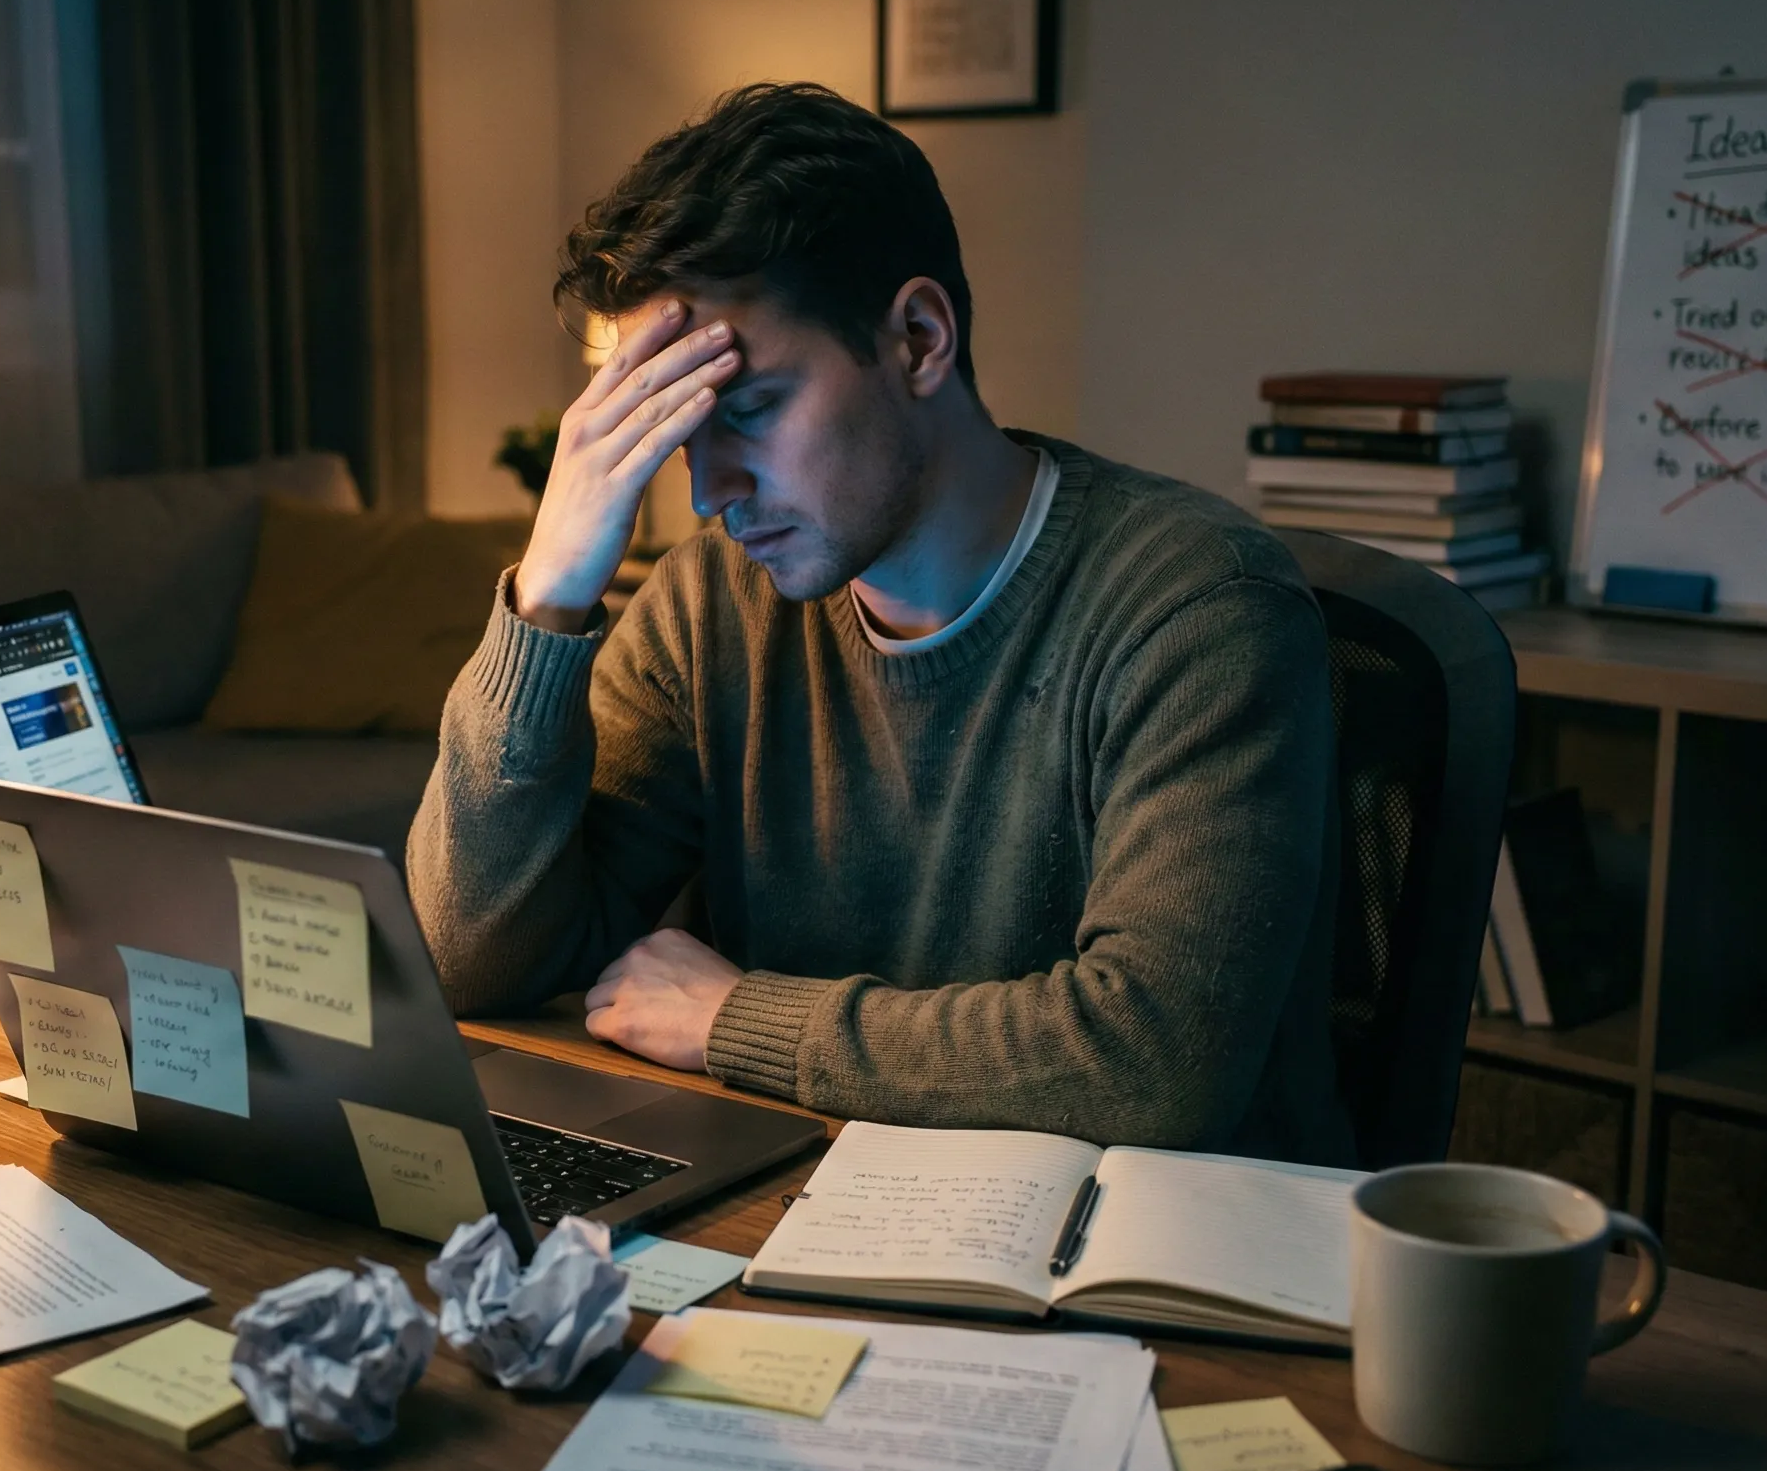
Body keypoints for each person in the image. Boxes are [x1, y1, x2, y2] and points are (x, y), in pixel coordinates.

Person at [409, 82, 1353, 1163]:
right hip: (814, 1196)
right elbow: (469, 961)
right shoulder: (709, 601)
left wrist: (737, 1019)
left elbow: (1155, 1063)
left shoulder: (1199, 610)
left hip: (1141, 1271)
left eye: (748, 410)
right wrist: (548, 597)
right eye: (672, 430)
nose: (708, 491)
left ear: (916, 338)